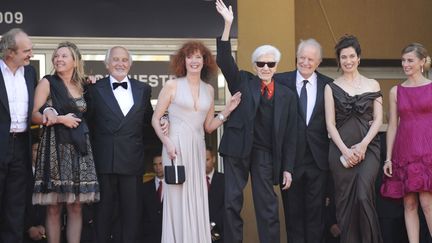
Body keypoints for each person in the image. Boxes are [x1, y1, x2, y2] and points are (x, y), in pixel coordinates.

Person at [215, 1, 297, 243]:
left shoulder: (287, 96)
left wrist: (288, 167)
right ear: (254, 66)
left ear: (276, 66)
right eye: (260, 63)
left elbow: (291, 135)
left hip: (264, 153)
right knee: (231, 202)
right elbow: (223, 59)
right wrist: (228, 24)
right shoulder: (243, 81)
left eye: (270, 63)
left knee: (268, 206)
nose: (265, 67)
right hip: (237, 149)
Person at [151, 38, 241, 242]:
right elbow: (155, 119)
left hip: (197, 147)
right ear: (183, 61)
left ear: (204, 60)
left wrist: (227, 110)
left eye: (198, 57)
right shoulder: (172, 85)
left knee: (197, 197)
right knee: (176, 198)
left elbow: (208, 126)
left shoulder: (209, 89)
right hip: (174, 147)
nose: (194, 61)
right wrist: (167, 143)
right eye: (189, 57)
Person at [31, 41, 100, 243]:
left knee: (76, 206)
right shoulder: (47, 82)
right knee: (54, 206)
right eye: (57, 56)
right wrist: (60, 118)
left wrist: (94, 83)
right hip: (54, 149)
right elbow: (34, 115)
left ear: (75, 61)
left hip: (79, 150)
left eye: (64, 56)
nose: (59, 59)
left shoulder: (83, 85)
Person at [86, 46, 154, 243]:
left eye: (124, 60)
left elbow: (148, 123)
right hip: (104, 161)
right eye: (115, 59)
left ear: (130, 64)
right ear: (107, 64)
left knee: (132, 216)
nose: (120, 64)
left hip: (132, 161)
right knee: (103, 215)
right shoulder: (93, 89)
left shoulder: (143, 89)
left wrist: (165, 120)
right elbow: (87, 124)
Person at [324, 35, 383, 242]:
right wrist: (346, 151)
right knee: (344, 202)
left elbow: (378, 120)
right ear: (339, 61)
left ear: (358, 58)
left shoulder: (373, 84)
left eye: (351, 56)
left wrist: (363, 145)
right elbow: (330, 124)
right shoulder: (330, 87)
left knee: (363, 195)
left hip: (369, 150)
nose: (348, 61)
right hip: (341, 152)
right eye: (343, 57)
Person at [275, 38, 333, 243]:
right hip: (290, 162)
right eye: (302, 58)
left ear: (318, 62)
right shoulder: (280, 81)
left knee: (316, 217)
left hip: (318, 160)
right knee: (293, 217)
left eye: (311, 59)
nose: (306, 62)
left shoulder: (329, 85)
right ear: (296, 58)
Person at [381, 43, 432, 243]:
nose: (405, 64)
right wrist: (388, 158)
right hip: (405, 151)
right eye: (403, 60)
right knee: (409, 204)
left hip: (427, 151)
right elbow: (393, 125)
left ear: (422, 62)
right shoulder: (396, 91)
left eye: (410, 60)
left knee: (427, 203)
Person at [0, 28, 37, 243]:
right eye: (26, 51)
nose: (30, 54)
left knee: (15, 206)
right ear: (10, 52)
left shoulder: (30, 73)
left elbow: (46, 99)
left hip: (21, 145)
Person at [140, 153, 164, 243]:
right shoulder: (144, 187)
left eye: (161, 164)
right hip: (149, 237)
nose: (158, 167)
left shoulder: (173, 187)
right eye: (155, 164)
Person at [205, 146, 224, 243]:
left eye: (207, 159)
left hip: (220, 232)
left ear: (213, 159)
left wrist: (212, 224)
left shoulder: (224, 180)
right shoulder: (194, 183)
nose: (204, 163)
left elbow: (227, 206)